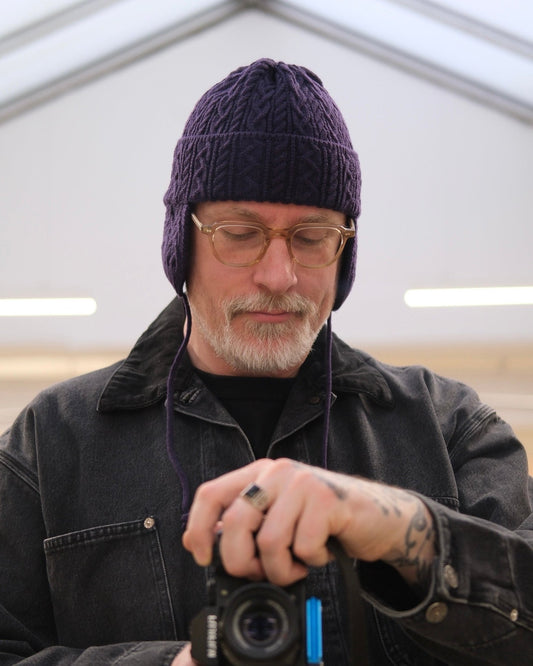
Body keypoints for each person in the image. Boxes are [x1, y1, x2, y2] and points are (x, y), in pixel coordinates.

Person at [0, 58, 531, 666]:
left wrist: (397, 527)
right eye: (240, 233)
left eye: (312, 237)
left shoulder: (447, 427)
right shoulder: (52, 444)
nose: (279, 276)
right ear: (181, 244)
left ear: (344, 252)